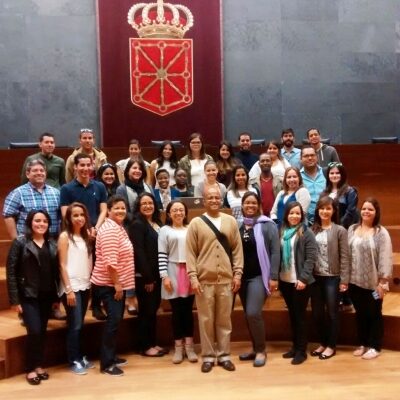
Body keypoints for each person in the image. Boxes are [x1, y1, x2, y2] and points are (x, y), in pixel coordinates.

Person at [186, 187, 244, 373]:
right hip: (204, 281)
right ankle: (209, 356)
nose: (213, 200)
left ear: (221, 199)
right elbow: (190, 253)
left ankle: (224, 355)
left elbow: (237, 250)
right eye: (210, 197)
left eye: (217, 197)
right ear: (204, 200)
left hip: (226, 280)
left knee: (224, 320)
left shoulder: (230, 221)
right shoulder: (195, 223)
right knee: (206, 320)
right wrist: (193, 277)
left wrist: (238, 273)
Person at [6, 210, 59, 385]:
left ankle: (38, 365)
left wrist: (56, 297)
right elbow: (11, 271)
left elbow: (54, 272)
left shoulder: (51, 242)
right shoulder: (20, 242)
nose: (41, 224)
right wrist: (14, 300)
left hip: (46, 295)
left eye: (44, 221)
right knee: (34, 330)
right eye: (37, 220)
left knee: (41, 332)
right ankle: (30, 368)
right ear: (30, 222)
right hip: (28, 295)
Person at [90, 195, 135, 376]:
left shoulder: (117, 227)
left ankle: (111, 356)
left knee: (115, 322)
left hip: (116, 284)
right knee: (112, 323)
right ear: (108, 210)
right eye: (116, 208)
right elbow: (110, 262)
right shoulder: (109, 230)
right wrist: (117, 284)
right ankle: (107, 364)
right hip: (110, 285)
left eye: (123, 208)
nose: (120, 211)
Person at [60, 153, 108, 320]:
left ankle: (96, 305)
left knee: (97, 270)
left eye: (89, 165)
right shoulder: (67, 189)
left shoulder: (99, 187)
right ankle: (72, 307)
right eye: (82, 165)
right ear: (75, 167)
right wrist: (83, 230)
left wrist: (95, 228)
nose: (86, 169)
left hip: (96, 234)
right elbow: (66, 214)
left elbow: (103, 210)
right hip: (76, 236)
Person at [238, 192, 280, 367]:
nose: (250, 206)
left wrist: (274, 277)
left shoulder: (267, 225)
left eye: (253, 203)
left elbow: (275, 251)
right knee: (248, 315)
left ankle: (261, 350)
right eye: (247, 203)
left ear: (258, 205)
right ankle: (255, 349)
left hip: (258, 276)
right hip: (242, 277)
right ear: (242, 205)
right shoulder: (238, 226)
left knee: (253, 313)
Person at [273, 201, 318, 365]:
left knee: (300, 317)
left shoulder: (306, 232)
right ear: (286, 215)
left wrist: (303, 278)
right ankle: (294, 347)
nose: (294, 216)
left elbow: (311, 258)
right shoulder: (281, 231)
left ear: (302, 215)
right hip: (285, 280)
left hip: (300, 282)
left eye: (297, 213)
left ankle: (301, 351)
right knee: (292, 316)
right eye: (291, 213)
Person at [348, 197, 392, 360]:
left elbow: (385, 258)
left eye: (370, 209)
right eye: (364, 209)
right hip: (355, 282)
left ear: (376, 213)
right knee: (360, 313)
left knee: (374, 313)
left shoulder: (381, 233)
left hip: (374, 285)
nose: (366, 212)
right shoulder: (352, 229)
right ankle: (363, 343)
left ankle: (375, 345)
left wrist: (383, 282)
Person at [158, 200, 198, 364]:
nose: (178, 213)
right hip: (173, 270)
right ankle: (178, 347)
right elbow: (162, 254)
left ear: (185, 212)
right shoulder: (164, 230)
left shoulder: (190, 229)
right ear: (169, 213)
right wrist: (164, 276)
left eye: (181, 210)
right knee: (177, 312)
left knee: (188, 311)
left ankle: (190, 347)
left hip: (189, 272)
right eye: (174, 210)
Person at [310, 196, 349, 360]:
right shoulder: (312, 230)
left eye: (328, 208)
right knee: (317, 314)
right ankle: (323, 343)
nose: (325, 211)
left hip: (333, 277)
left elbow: (345, 257)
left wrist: (345, 280)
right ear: (318, 210)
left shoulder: (340, 230)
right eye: (322, 208)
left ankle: (331, 346)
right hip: (316, 278)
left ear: (333, 211)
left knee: (332, 313)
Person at [128, 193, 166, 357]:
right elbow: (139, 252)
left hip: (157, 274)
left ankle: (152, 342)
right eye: (144, 203)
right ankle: (145, 346)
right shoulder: (137, 224)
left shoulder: (157, 222)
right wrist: (148, 277)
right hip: (145, 277)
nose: (148, 206)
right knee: (146, 311)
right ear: (138, 206)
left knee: (153, 310)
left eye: (150, 203)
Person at [58, 202, 94, 374]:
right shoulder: (65, 236)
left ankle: (80, 356)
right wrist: (68, 289)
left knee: (80, 323)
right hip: (72, 286)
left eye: (82, 215)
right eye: (75, 215)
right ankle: (73, 360)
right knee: (75, 324)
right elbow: (62, 265)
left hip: (85, 284)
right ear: (69, 218)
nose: (79, 218)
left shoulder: (86, 235)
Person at [3, 159, 61, 239]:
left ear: (45, 173)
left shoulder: (56, 193)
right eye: (35, 170)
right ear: (27, 174)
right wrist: (16, 241)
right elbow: (8, 216)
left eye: (42, 170)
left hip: (52, 241)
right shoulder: (18, 193)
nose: (39, 173)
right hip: (27, 241)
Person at [321, 162, 359, 229]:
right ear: (328, 175)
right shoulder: (324, 193)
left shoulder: (350, 192)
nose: (334, 175)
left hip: (345, 228)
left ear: (342, 175)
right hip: (327, 228)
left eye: (337, 173)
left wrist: (338, 228)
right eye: (332, 173)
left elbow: (350, 213)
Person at [300, 146, 326, 224]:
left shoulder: (326, 173)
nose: (310, 158)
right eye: (306, 156)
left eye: (312, 155)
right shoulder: (297, 177)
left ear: (317, 157)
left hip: (325, 218)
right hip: (305, 221)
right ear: (300, 159)